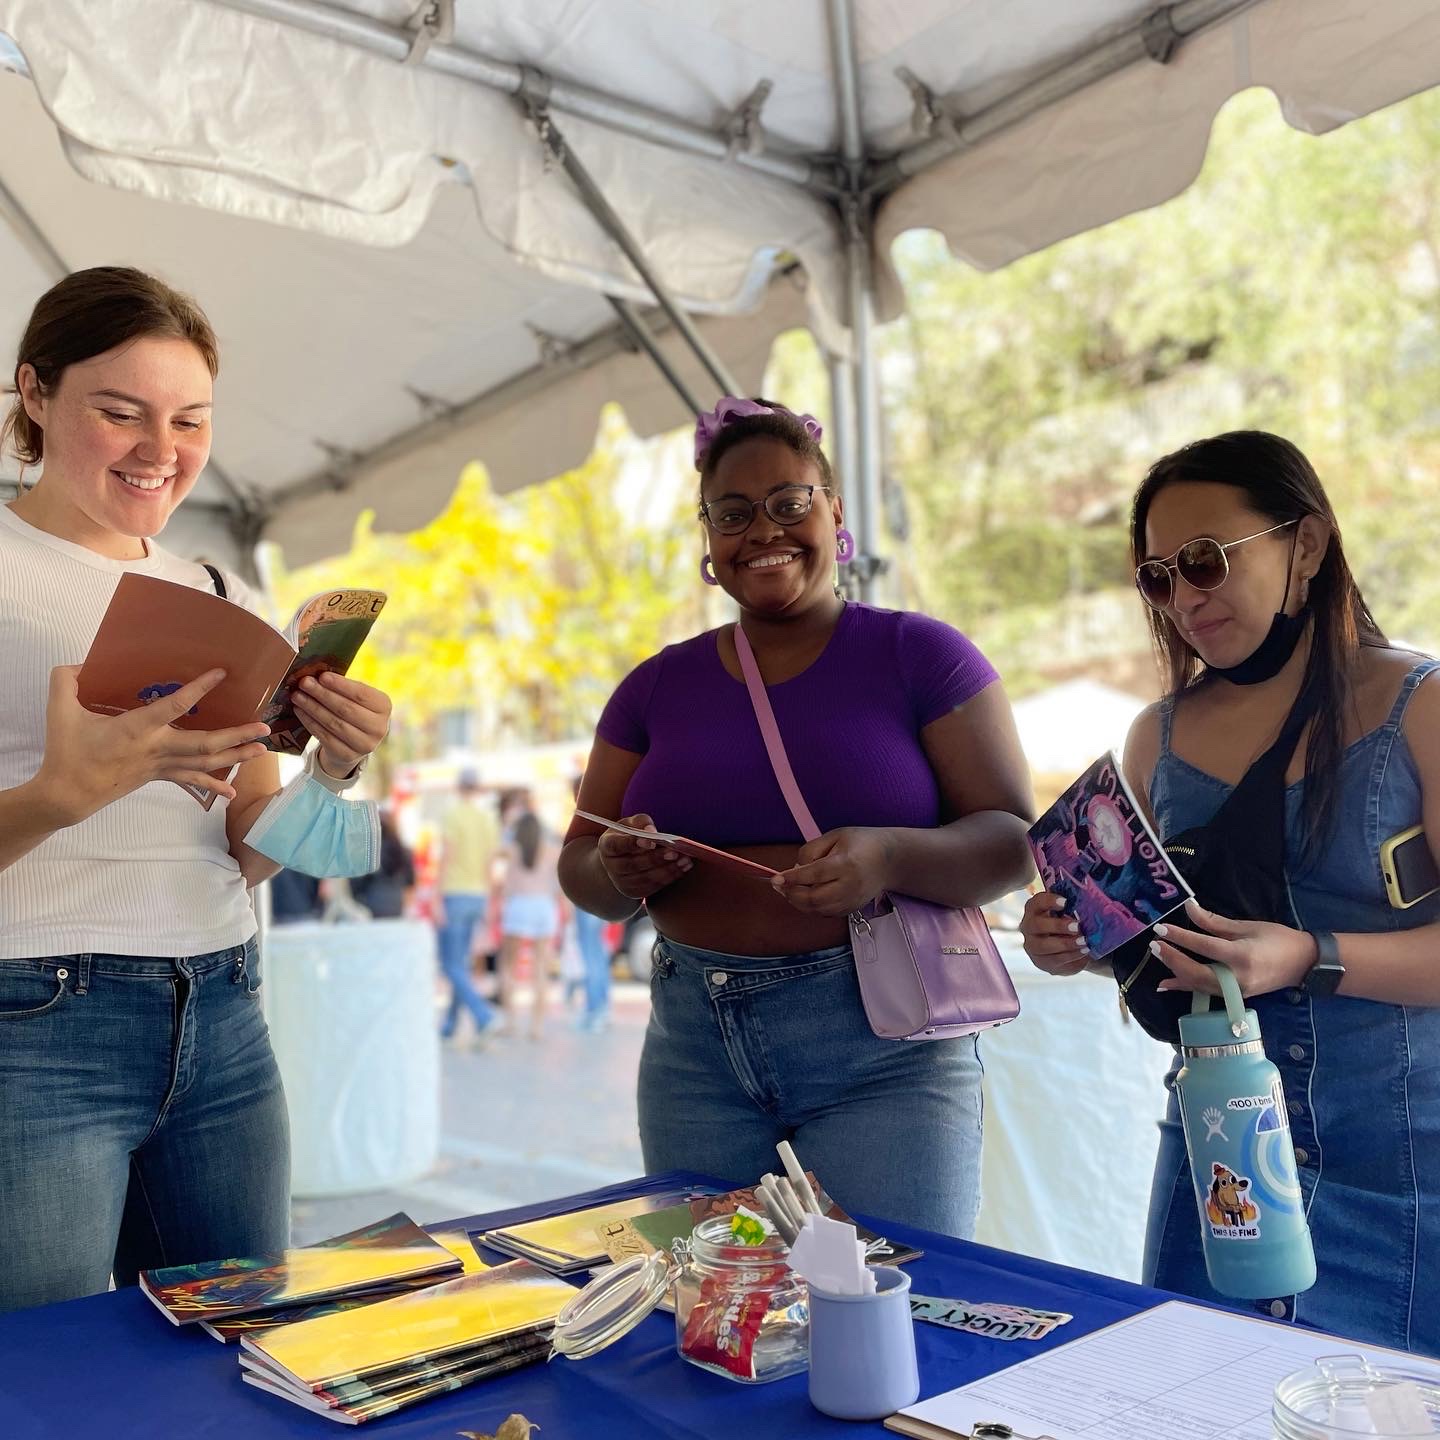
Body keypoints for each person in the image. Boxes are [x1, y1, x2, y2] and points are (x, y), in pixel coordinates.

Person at [0, 267, 393, 1314]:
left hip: (221, 1012)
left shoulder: (214, 592)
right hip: (35, 1023)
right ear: (34, 394)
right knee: (51, 1376)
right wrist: (58, 796)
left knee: (243, 1342)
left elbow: (250, 841)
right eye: (119, 412)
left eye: (189, 420)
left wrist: (338, 769)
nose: (159, 451)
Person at [560, 395, 1035, 1236]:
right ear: (708, 538)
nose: (764, 531)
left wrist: (888, 858)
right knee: (714, 1321)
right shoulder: (652, 687)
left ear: (834, 512)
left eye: (790, 503)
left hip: (885, 1050)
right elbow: (582, 871)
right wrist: (617, 869)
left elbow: (1010, 842)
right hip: (693, 1052)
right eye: (733, 514)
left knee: (893, 1313)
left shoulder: (920, 654)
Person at [1019, 431, 1440, 1355]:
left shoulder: (1420, 704)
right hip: (1220, 1161)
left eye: (1206, 560)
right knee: (1191, 1402)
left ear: (1309, 544)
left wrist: (1310, 956)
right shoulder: (1153, 740)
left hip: (1401, 1162)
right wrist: (1082, 944)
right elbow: (1165, 950)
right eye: (1159, 577)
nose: (1185, 597)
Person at [435, 769, 500, 1041]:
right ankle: (450, 1025)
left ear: (459, 788)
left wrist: (437, 896)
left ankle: (483, 1014)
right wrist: (490, 900)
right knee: (460, 963)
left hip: (455, 893)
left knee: (450, 964)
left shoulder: (453, 815)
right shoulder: (487, 818)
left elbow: (447, 856)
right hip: (478, 895)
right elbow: (490, 863)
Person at [495, 809, 563, 1040]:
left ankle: (510, 1021)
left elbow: (505, 882)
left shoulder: (512, 850)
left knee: (508, 965)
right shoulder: (551, 850)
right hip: (543, 906)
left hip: (519, 905)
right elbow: (558, 883)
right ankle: (536, 1027)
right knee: (540, 968)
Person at [568, 775, 612, 1032]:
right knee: (597, 953)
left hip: (588, 898)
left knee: (591, 953)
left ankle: (595, 1009)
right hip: (602, 897)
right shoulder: (606, 819)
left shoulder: (586, 823)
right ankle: (601, 1006)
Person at [350, 808, 415, 919]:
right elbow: (410, 883)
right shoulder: (404, 851)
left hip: (370, 907)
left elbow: (355, 885)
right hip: (396, 906)